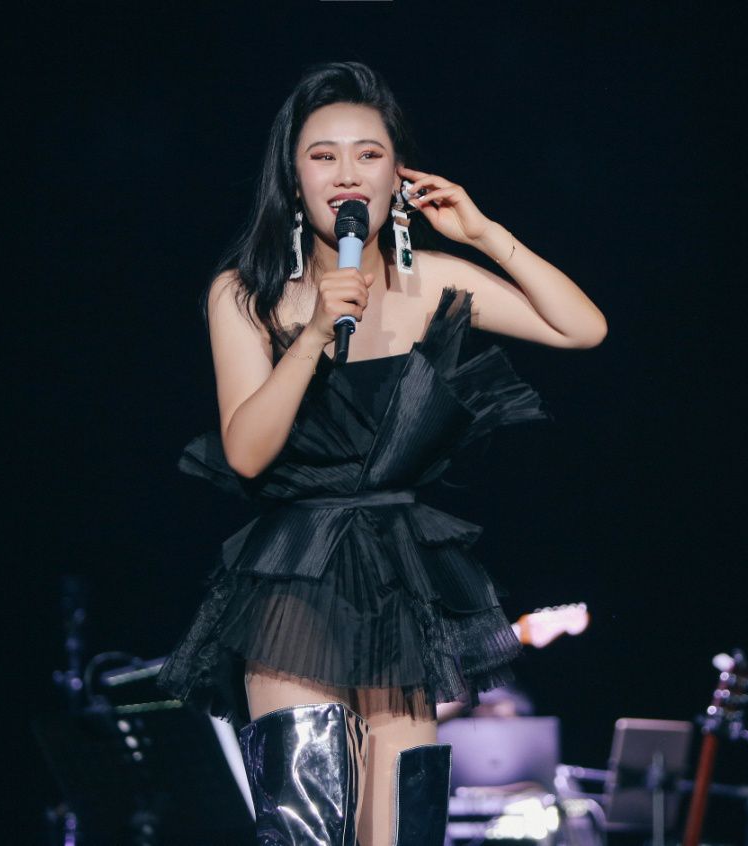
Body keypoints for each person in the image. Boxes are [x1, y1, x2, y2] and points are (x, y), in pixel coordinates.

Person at [156, 61, 606, 846]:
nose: (345, 174)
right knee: (310, 823)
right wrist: (311, 338)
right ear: (293, 179)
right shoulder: (246, 294)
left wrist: (482, 234)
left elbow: (582, 328)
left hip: (400, 578)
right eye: (322, 155)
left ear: (397, 177)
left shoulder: (428, 280)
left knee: (403, 826)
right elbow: (247, 453)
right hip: (295, 582)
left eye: (368, 154)